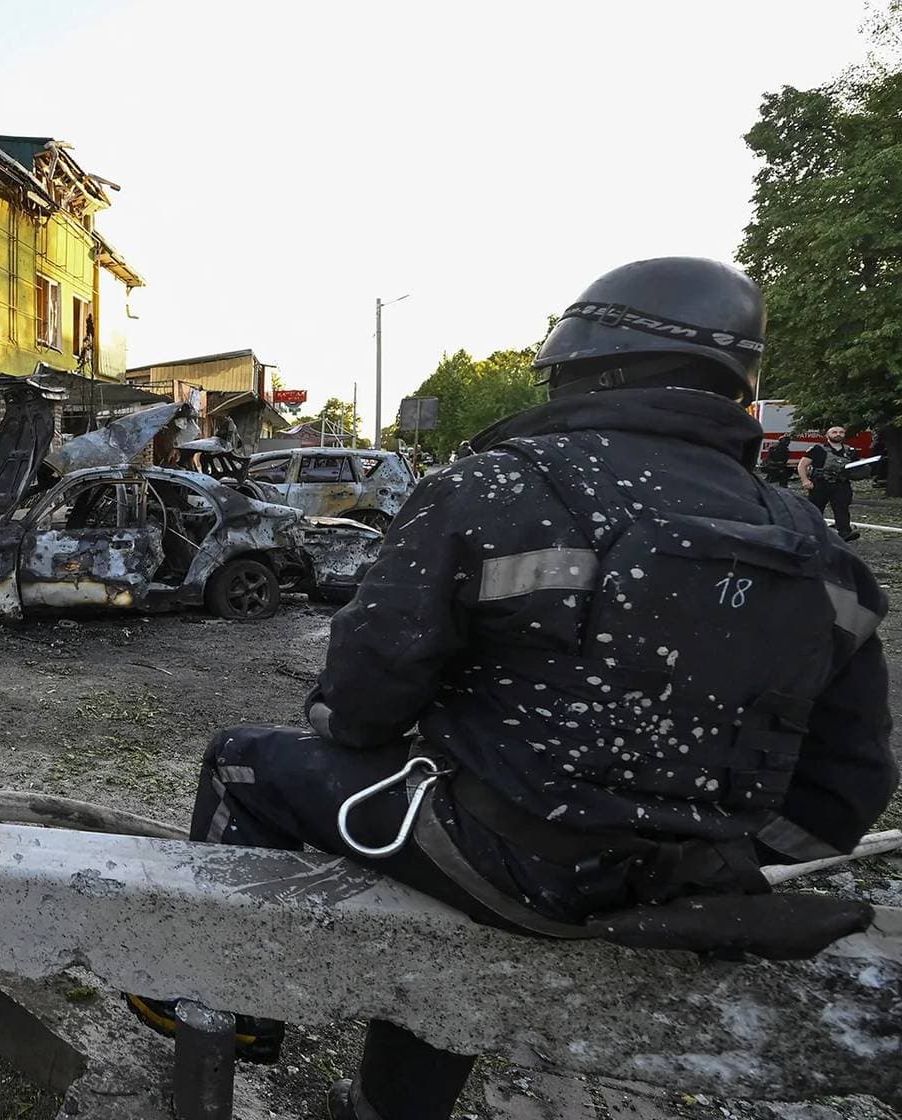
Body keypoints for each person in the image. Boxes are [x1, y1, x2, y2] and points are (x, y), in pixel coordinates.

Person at [126, 257, 895, 1120]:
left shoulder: (499, 486)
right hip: (697, 888)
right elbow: (848, 788)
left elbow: (360, 700)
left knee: (241, 763)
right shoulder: (817, 549)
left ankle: (220, 1011)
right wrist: (704, 857)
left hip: (504, 862)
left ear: (580, 361)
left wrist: (434, 773)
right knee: (451, 863)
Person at [799, 425, 861, 540]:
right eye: (834, 432)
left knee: (842, 509)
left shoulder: (850, 451)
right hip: (820, 484)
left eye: (841, 432)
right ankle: (810, 533)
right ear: (827, 435)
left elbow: (856, 468)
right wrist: (805, 481)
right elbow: (802, 465)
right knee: (815, 509)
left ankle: (845, 533)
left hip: (841, 484)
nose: (838, 434)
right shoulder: (818, 449)